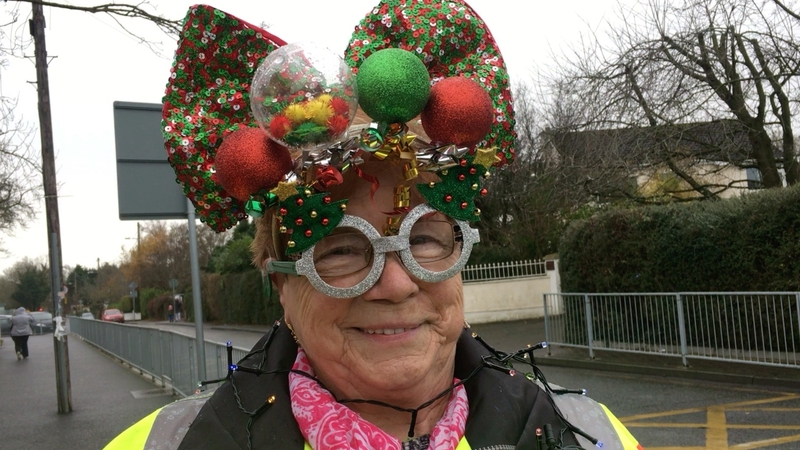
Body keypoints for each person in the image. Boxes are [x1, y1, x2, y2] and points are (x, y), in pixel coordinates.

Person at [106, 2, 641, 449]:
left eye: (425, 239)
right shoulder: (167, 443)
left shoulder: (594, 437)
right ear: (280, 283)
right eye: (340, 250)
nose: (397, 283)